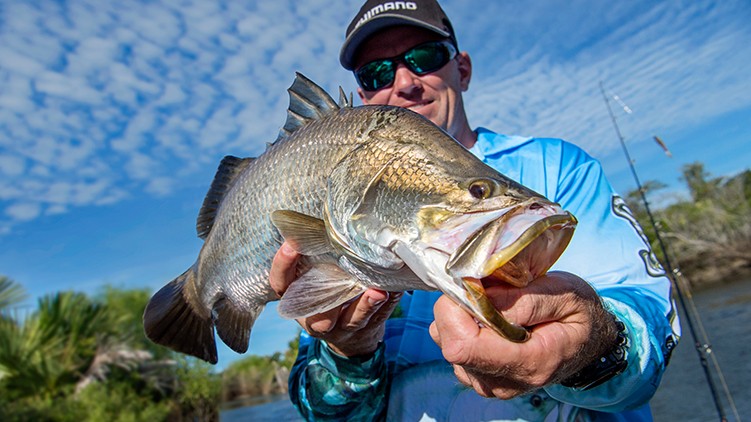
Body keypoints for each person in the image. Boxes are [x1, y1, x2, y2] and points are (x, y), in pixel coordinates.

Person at [269, 1, 680, 420]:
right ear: (363, 96)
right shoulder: (332, 201)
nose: (405, 82)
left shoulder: (557, 168)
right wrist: (347, 353)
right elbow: (322, 412)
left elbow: (649, 328)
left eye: (424, 57)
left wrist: (592, 345)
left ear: (461, 69)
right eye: (376, 72)